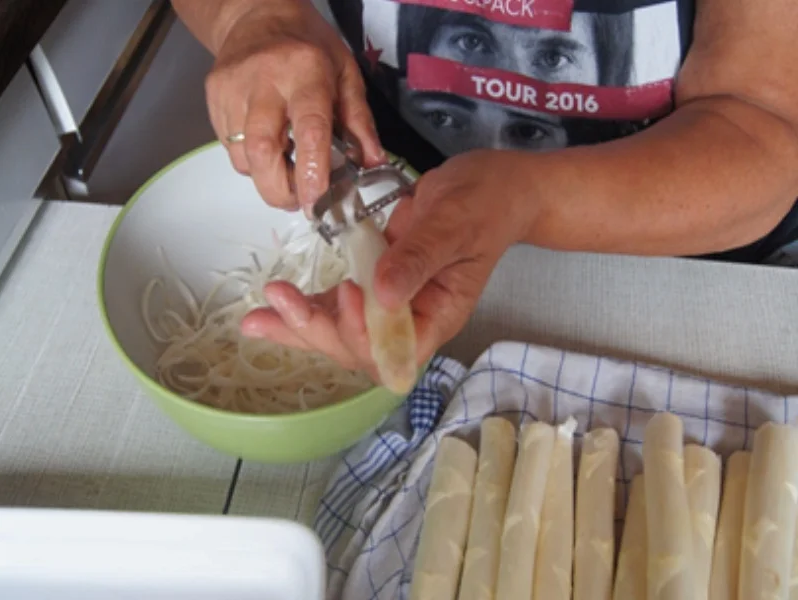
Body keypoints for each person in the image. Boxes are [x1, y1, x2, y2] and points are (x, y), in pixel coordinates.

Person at [172, 0, 798, 383]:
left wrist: (524, 199)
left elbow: (758, 120)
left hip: (693, 261)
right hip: (417, 212)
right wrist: (251, 16)